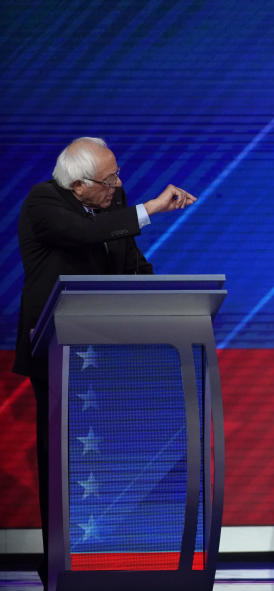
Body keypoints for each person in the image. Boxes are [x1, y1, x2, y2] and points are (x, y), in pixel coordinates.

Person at [12, 137, 197, 588]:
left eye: (118, 174)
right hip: (57, 352)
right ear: (77, 185)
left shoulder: (113, 204)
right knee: (63, 462)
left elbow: (133, 265)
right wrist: (151, 209)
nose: (119, 184)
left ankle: (116, 560)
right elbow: (83, 234)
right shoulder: (43, 201)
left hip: (114, 356)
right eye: (109, 179)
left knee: (116, 460)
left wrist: (174, 304)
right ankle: (59, 564)